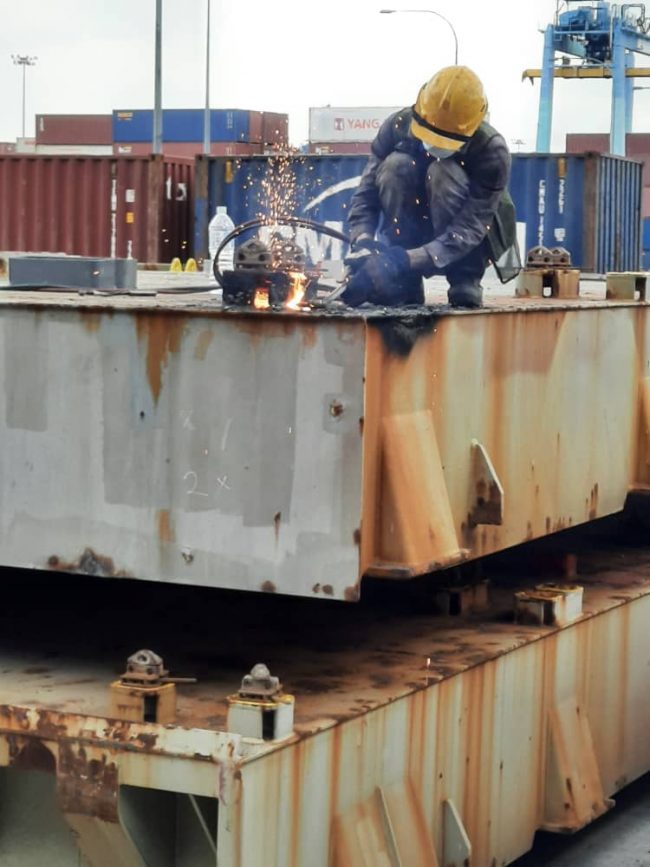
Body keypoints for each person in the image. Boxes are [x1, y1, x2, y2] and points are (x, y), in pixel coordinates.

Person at [343, 66, 520, 309]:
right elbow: (366, 193)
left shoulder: (491, 150)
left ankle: (464, 276)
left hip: (469, 235)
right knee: (395, 166)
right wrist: (363, 241)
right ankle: (407, 282)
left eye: (446, 138)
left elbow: (472, 225)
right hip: (418, 225)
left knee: (442, 172)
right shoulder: (397, 127)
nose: (435, 143)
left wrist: (403, 260)